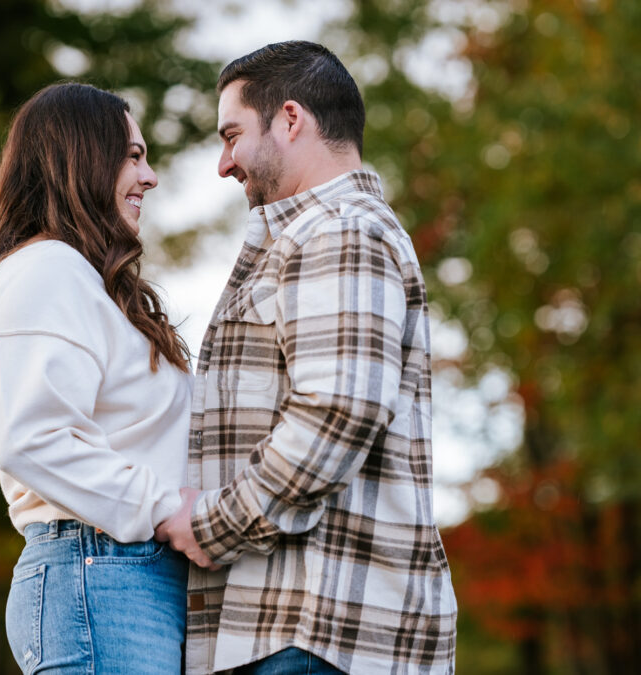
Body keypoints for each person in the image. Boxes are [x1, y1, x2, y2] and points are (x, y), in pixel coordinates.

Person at [156, 42, 458, 674]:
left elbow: (337, 412)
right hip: (291, 632)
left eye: (232, 134)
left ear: (291, 119)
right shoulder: (307, 236)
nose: (223, 163)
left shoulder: (342, 229)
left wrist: (210, 524)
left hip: (319, 632)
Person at [0, 82, 193, 674]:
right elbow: (34, 438)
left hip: (123, 578)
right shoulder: (47, 270)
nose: (150, 176)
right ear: (80, 158)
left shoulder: (86, 284)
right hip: (99, 575)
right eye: (133, 155)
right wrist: (164, 507)